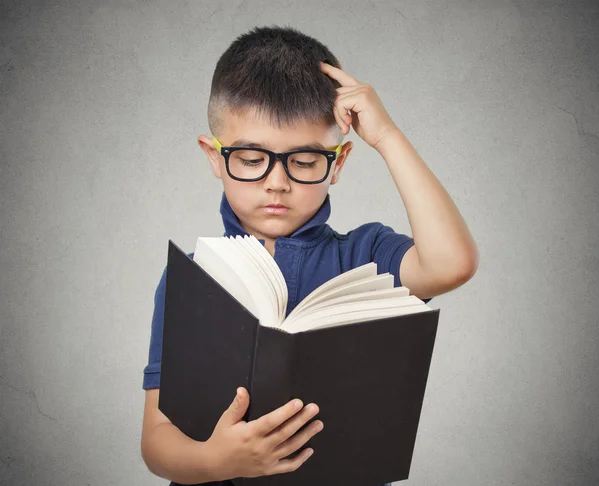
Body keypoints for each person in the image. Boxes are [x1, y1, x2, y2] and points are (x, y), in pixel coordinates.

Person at [140, 25, 479, 486]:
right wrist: (217, 463)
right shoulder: (191, 279)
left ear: (336, 163)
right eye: (251, 158)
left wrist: (387, 137)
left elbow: (451, 263)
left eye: (303, 161)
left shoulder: (367, 253)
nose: (276, 182)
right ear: (215, 156)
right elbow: (157, 438)